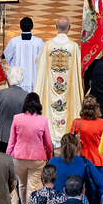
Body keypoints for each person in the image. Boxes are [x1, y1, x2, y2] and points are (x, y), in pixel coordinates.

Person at [34, 17, 84, 145]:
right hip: (69, 91)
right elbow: (80, 69)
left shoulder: (47, 46)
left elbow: (38, 62)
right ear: (69, 28)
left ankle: (49, 138)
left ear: (56, 27)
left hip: (50, 89)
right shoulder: (74, 47)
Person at [7, 91, 53, 204]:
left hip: (18, 158)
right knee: (33, 188)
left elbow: (11, 141)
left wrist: (8, 156)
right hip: (37, 159)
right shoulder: (43, 120)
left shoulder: (17, 118)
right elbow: (48, 143)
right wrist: (50, 156)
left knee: (22, 185)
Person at [4, 17, 45, 94]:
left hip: (16, 75)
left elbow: (8, 56)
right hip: (33, 75)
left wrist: (13, 64)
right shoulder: (38, 42)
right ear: (32, 27)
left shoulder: (14, 41)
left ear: (20, 27)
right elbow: (44, 58)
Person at [0, 66, 29, 154]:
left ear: (9, 78)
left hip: (3, 132)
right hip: (19, 133)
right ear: (22, 79)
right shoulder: (26, 96)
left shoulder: (0, 93)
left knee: (2, 155)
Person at [72, 96, 103, 170]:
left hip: (81, 159)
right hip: (98, 161)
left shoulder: (76, 122)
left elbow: (70, 140)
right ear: (96, 108)